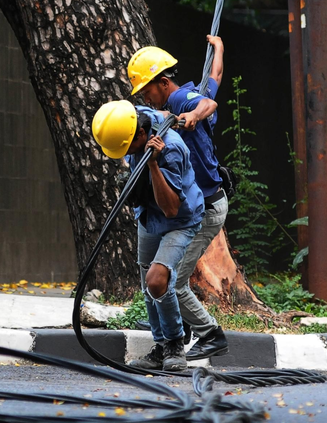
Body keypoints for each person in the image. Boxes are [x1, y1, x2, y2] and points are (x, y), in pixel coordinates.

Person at [127, 35, 229, 363]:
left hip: (206, 206)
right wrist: (219, 48)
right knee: (157, 278)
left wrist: (196, 116)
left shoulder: (182, 101)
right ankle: (170, 337)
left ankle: (210, 335)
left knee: (171, 281)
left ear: (164, 82)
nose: (145, 96)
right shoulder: (172, 104)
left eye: (146, 90)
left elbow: (208, 104)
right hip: (199, 201)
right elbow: (214, 82)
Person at [92, 100, 205, 371]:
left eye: (127, 147)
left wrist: (153, 165)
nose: (125, 154)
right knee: (148, 284)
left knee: (157, 280)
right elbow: (159, 113)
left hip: (178, 219)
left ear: (141, 136)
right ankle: (161, 347)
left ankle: (176, 343)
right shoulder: (137, 120)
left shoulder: (172, 149)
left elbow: (170, 208)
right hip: (148, 216)